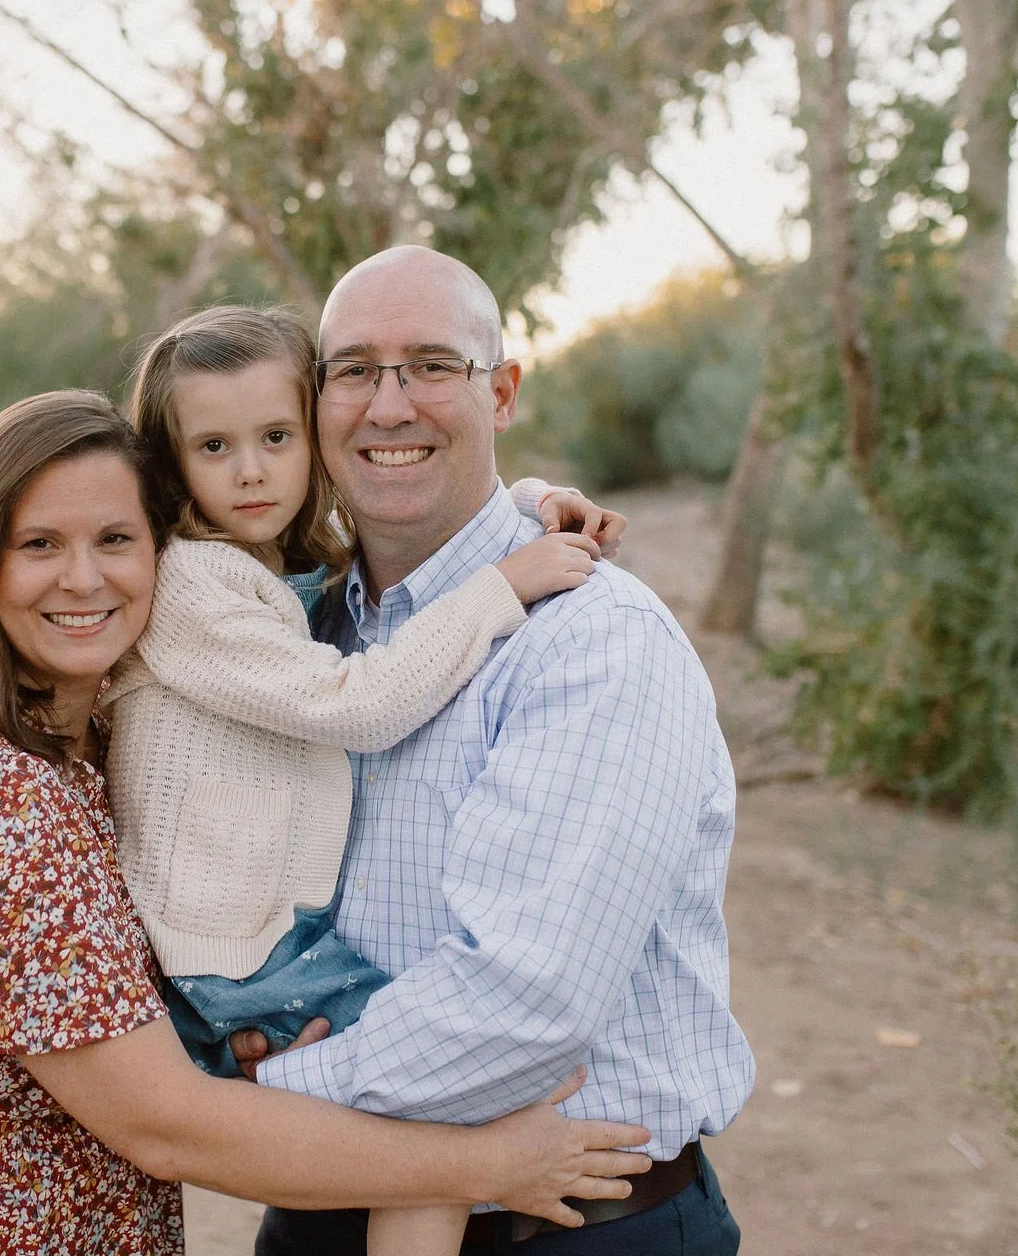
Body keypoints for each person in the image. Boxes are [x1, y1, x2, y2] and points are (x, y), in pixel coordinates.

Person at [0, 389, 655, 1256]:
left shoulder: (61, 723)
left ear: (165, 544)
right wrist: (487, 1163)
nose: (83, 578)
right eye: (39, 544)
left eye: (115, 539)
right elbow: (166, 1125)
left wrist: (526, 502)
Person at [239, 247, 756, 1256]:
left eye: (433, 365)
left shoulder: (593, 641)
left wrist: (264, 1092)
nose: (388, 405)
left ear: (503, 392)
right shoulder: (299, 630)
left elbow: (523, 1003)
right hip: (320, 1214)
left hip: (567, 1228)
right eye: (354, 370)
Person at [106, 306, 627, 1256]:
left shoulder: (271, 558)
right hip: (229, 950)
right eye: (214, 446)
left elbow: (415, 505)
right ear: (170, 465)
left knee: (428, 1091)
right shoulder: (189, 584)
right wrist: (505, 585)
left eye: (276, 437)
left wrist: (534, 498)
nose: (252, 470)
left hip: (265, 933)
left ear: (314, 436)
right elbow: (358, 703)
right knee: (440, 1101)